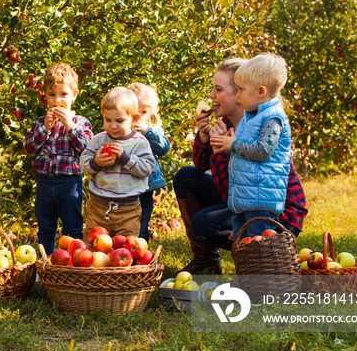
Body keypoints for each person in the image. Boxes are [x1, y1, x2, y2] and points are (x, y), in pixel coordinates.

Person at [173, 58, 307, 274]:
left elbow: (251, 177)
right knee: (185, 177)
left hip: (273, 211)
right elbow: (199, 165)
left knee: (205, 223)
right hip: (241, 198)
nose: (211, 96)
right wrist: (204, 137)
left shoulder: (263, 126)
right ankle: (206, 259)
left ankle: (258, 264)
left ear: (239, 95)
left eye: (218, 89)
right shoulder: (224, 125)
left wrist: (226, 149)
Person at [210, 53, 293, 240]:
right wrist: (229, 141)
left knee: (258, 245)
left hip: (261, 201)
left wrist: (234, 145)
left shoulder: (273, 118)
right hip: (245, 199)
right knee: (242, 246)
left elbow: (263, 151)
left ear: (261, 92)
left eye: (240, 89)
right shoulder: (252, 116)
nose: (237, 95)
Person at [24, 64, 93, 255]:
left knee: (72, 226)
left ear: (74, 95)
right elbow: (29, 146)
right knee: (45, 227)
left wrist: (69, 125)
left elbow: (86, 147)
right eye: (52, 95)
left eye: (63, 94)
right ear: (45, 96)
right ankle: (45, 265)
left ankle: (73, 263)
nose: (58, 100)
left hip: (69, 183)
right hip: (44, 182)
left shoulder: (80, 122)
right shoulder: (40, 122)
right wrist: (45, 128)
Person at [80, 87, 154, 240]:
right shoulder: (98, 140)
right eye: (108, 120)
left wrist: (126, 158)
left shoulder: (140, 143)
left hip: (128, 209)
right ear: (103, 116)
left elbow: (146, 169)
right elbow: (84, 164)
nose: (113, 126)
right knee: (93, 246)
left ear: (134, 119)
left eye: (119, 121)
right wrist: (96, 163)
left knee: (127, 248)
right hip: (98, 206)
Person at [127, 82, 171, 242]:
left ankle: (142, 254)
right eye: (134, 110)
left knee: (142, 221)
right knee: (122, 220)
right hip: (124, 186)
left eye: (143, 111)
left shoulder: (153, 130)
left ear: (149, 113)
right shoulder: (120, 129)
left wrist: (147, 131)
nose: (138, 116)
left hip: (145, 186)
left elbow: (163, 148)